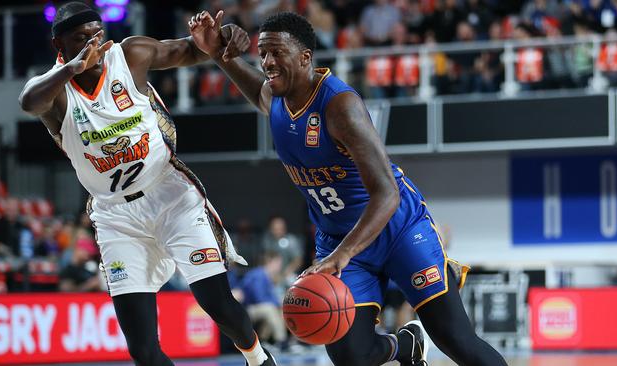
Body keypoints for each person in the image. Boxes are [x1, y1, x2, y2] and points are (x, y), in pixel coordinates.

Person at [188, 10, 508, 366]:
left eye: (276, 53)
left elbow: (387, 193)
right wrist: (218, 53)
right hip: (339, 238)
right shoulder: (277, 98)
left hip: (396, 229)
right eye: (263, 53)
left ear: (305, 58)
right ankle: (405, 347)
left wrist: (341, 256)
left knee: (455, 339)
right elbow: (259, 94)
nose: (266, 62)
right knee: (350, 355)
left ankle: (428, 336)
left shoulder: (340, 105)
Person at [18, 3, 276, 366]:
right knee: (142, 349)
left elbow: (190, 49)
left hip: (169, 194)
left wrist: (221, 39)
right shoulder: (56, 93)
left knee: (216, 302)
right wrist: (71, 68)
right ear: (58, 44)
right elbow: (29, 102)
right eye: (81, 39)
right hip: (115, 216)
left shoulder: (129, 55)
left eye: (97, 34)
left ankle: (258, 358)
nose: (94, 44)